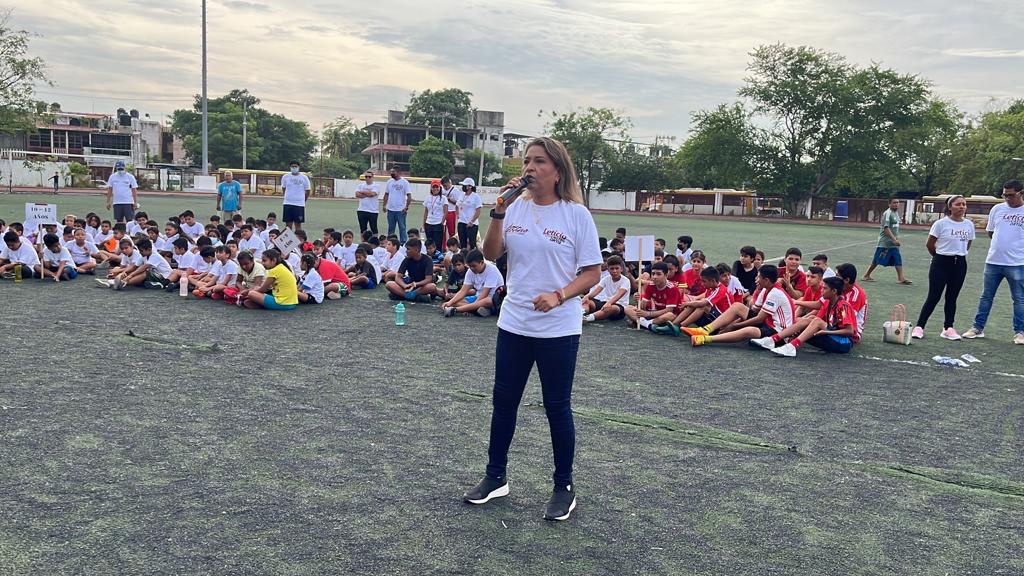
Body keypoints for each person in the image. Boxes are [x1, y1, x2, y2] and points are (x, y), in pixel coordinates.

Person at [463, 137, 601, 522]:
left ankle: (564, 486)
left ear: (557, 170)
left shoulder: (576, 215)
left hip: (558, 328)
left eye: (539, 161)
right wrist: (498, 213)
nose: (529, 168)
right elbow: (491, 254)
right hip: (514, 322)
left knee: (556, 406)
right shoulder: (515, 208)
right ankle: (495, 477)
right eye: (526, 161)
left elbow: (592, 272)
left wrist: (559, 295)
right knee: (504, 401)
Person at [964, 180, 1024, 344]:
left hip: (1018, 263)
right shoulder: (997, 209)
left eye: (1011, 195)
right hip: (993, 261)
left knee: (1019, 299)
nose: (1007, 198)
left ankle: (1020, 332)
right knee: (986, 296)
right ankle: (977, 328)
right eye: (1005, 195)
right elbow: (991, 232)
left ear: (1021, 193)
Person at [686, 265, 796, 348]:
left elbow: (759, 318)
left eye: (758, 277)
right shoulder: (766, 289)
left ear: (766, 280)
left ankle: (705, 338)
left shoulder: (775, 293)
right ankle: (705, 330)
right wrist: (735, 323)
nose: (756, 279)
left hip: (779, 333)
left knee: (748, 331)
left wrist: (735, 326)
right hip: (767, 323)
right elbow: (753, 311)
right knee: (738, 306)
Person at [912, 196, 975, 340]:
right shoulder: (940, 224)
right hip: (941, 263)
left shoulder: (969, 224)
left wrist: (958, 255)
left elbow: (968, 244)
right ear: (950, 207)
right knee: (933, 296)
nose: (962, 207)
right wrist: (939, 257)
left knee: (952, 297)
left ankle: (948, 328)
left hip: (960, 264)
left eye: (964, 204)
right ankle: (919, 327)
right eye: (958, 204)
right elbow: (930, 244)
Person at [753, 276, 857, 357]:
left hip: (845, 343)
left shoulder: (843, 307)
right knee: (809, 319)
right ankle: (772, 340)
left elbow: (850, 331)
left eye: (825, 288)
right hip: (833, 336)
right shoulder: (829, 301)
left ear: (834, 291)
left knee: (817, 321)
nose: (822, 290)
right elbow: (817, 304)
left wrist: (826, 332)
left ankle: (792, 346)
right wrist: (797, 302)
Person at [863, 197, 912, 284]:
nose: (896, 204)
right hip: (885, 243)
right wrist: (894, 240)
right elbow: (886, 228)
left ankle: (901, 278)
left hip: (892, 243)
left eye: (897, 202)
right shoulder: (888, 213)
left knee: (897, 259)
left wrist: (895, 239)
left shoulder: (896, 213)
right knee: (876, 259)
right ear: (889, 204)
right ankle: (866, 275)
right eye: (894, 203)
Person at [442, 249, 503, 317]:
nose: (471, 268)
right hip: (478, 298)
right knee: (454, 302)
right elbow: (463, 291)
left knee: (488, 301)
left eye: (474, 266)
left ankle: (456, 310)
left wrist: (472, 306)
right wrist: (449, 303)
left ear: (482, 262)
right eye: (470, 266)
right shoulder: (470, 271)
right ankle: (478, 310)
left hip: (492, 300)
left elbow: (484, 294)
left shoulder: (491, 270)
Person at [624, 261, 681, 330]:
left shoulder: (672, 288)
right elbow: (643, 305)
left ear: (666, 275)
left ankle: (641, 323)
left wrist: (648, 314)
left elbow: (669, 310)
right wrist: (638, 301)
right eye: (653, 274)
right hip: (654, 313)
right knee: (628, 308)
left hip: (667, 314)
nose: (654, 277)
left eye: (658, 274)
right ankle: (649, 325)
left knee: (669, 316)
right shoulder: (651, 285)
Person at [582, 255, 630, 323]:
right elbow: (595, 292)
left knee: (611, 308)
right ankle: (581, 313)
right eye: (612, 269)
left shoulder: (626, 281)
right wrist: (586, 297)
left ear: (621, 269)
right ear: (608, 269)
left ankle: (587, 319)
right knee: (588, 301)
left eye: (617, 268)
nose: (614, 271)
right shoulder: (605, 279)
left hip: (619, 307)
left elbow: (619, 295)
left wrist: (609, 303)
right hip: (605, 303)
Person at [382, 167, 412, 242]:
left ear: (399, 172)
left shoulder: (404, 182)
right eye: (391, 171)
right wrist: (384, 205)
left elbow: (409, 196)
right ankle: (390, 242)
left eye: (393, 172)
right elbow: (386, 194)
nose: (391, 173)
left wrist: (406, 207)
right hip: (391, 209)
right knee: (391, 228)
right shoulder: (389, 182)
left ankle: (403, 242)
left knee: (402, 227)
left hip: (401, 210)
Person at [281, 161, 311, 231]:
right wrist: (287, 197)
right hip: (288, 203)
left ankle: (299, 238)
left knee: (298, 225)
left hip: (299, 204)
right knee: (288, 225)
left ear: (299, 167)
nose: (294, 168)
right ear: (290, 167)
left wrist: (303, 200)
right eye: (292, 166)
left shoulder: (304, 177)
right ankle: (289, 238)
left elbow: (308, 190)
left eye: (296, 166)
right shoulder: (286, 177)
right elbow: (284, 188)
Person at [457, 178, 483, 250]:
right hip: (461, 222)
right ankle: (463, 256)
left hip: (472, 224)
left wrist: (472, 221)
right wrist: (458, 215)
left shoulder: (475, 196)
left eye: (464, 185)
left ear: (470, 186)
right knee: (462, 243)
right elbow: (457, 205)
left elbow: (478, 211)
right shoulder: (461, 195)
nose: (463, 187)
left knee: (472, 243)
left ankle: (474, 256)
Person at [423, 179, 447, 255]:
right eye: (434, 187)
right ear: (431, 188)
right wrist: (424, 223)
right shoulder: (428, 198)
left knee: (438, 244)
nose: (435, 189)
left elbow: (445, 212)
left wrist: (442, 222)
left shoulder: (443, 198)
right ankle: (430, 258)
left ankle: (438, 258)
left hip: (438, 224)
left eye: (437, 187)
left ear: (440, 188)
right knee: (429, 244)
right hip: (429, 223)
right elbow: (426, 212)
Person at [441, 176, 461, 244]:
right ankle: (443, 245)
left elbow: (458, 203)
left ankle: (452, 245)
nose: (445, 187)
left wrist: (449, 199)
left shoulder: (456, 191)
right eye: (443, 186)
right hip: (443, 212)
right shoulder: (442, 191)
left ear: (449, 183)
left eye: (446, 185)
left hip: (451, 211)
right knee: (442, 230)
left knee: (451, 231)